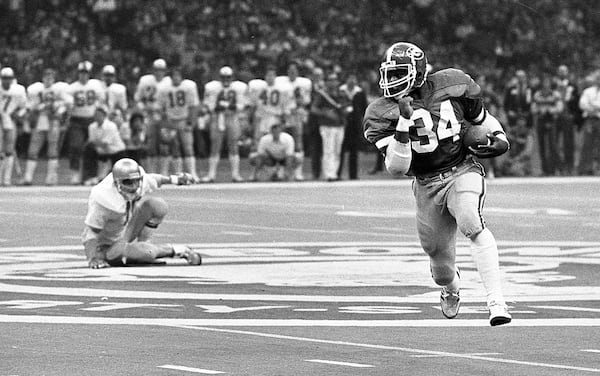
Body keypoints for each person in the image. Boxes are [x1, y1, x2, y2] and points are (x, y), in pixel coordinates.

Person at [363, 42, 512, 326]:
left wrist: (499, 136)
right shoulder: (381, 111)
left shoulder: (452, 83)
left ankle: (496, 301)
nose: (391, 81)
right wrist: (405, 122)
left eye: (398, 73)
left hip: (461, 169)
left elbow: (481, 118)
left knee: (471, 221)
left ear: (417, 73)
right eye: (389, 74)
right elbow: (397, 167)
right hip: (426, 183)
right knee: (440, 264)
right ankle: (451, 288)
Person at [83, 158, 202, 269]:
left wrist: (174, 179)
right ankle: (178, 250)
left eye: (136, 181)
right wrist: (93, 258)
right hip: (107, 247)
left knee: (158, 206)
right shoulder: (104, 199)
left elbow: (152, 179)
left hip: (125, 232)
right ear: (116, 183)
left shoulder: (140, 181)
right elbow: (91, 233)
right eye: (128, 182)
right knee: (146, 253)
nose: (134, 186)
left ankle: (143, 243)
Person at [22, 68, 71, 185]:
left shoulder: (59, 89)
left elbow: (68, 103)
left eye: (51, 76)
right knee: (33, 149)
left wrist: (59, 109)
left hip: (53, 121)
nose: (48, 79)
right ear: (43, 77)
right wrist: (37, 109)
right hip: (40, 120)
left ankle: (51, 179)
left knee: (53, 149)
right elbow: (30, 107)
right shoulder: (36, 89)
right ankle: (28, 178)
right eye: (46, 76)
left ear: (54, 79)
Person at [202, 66, 248, 182]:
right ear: (220, 78)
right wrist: (220, 106)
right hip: (217, 118)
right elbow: (209, 106)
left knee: (233, 145)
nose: (226, 80)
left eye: (228, 77)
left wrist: (227, 106)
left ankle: (235, 174)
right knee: (215, 146)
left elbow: (241, 105)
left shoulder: (238, 88)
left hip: (232, 117)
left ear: (232, 77)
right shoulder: (213, 87)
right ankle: (211, 175)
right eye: (223, 77)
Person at [156, 67, 200, 178]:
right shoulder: (164, 88)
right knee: (169, 148)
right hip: (170, 121)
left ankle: (192, 173)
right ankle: (172, 173)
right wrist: (164, 121)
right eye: (174, 75)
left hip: (183, 120)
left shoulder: (189, 87)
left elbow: (193, 106)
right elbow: (160, 107)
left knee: (188, 147)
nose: (176, 78)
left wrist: (191, 123)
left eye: (178, 75)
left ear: (182, 77)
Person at [67, 61, 106, 184]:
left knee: (93, 148)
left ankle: (91, 175)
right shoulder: (72, 87)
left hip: (91, 120)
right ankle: (75, 174)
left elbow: (102, 102)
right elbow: (68, 105)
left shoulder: (96, 85)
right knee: (75, 146)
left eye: (85, 73)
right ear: (78, 73)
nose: (83, 75)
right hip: (77, 120)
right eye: (81, 73)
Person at [276, 62, 313, 181]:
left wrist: (298, 102)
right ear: (287, 71)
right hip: (284, 116)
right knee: (282, 143)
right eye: (290, 70)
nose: (292, 72)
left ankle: (298, 172)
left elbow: (306, 102)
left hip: (296, 116)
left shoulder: (303, 84)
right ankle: (281, 171)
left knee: (298, 144)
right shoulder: (281, 83)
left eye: (294, 70)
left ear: (297, 71)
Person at [134, 58, 172, 173]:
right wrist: (144, 109)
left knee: (164, 144)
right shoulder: (145, 80)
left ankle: (164, 172)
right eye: (156, 70)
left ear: (165, 71)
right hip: (148, 116)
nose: (159, 72)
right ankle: (150, 172)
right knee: (149, 145)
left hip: (163, 116)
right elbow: (137, 99)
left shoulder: (169, 82)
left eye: (161, 70)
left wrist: (167, 112)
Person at [311, 72, 345, 181]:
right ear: (326, 82)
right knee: (328, 150)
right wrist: (325, 113)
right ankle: (329, 174)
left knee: (337, 150)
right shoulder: (322, 94)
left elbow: (346, 106)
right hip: (327, 125)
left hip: (339, 125)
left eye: (335, 80)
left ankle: (334, 173)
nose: (333, 82)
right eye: (330, 80)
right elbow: (314, 109)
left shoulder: (341, 94)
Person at [82, 106, 127, 185]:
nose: (97, 117)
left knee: (118, 172)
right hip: (101, 150)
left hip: (116, 151)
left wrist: (97, 143)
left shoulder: (111, 126)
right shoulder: (91, 127)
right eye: (96, 115)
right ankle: (91, 176)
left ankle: (120, 178)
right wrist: (97, 144)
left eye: (99, 115)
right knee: (88, 149)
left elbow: (105, 143)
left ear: (104, 116)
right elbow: (92, 142)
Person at [0, 67, 28, 186]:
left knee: (9, 151)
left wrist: (18, 115)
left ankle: (6, 179)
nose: (6, 81)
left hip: (10, 121)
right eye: (4, 78)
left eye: (9, 78)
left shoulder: (19, 90)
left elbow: (24, 107)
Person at [337, 73, 368, 180]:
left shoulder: (359, 92)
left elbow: (364, 108)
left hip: (355, 125)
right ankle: (336, 173)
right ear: (346, 79)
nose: (352, 80)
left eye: (354, 78)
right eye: (350, 78)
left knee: (354, 150)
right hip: (342, 122)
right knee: (339, 149)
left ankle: (353, 175)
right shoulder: (341, 91)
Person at [531, 76, 563, 176]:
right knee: (542, 146)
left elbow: (559, 107)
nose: (546, 85)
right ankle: (544, 170)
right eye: (544, 83)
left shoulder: (555, 94)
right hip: (541, 120)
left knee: (553, 145)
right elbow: (533, 108)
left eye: (547, 83)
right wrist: (540, 111)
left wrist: (550, 111)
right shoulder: (537, 94)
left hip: (551, 120)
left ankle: (554, 168)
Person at [578, 71, 600, 175]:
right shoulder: (588, 91)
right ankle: (585, 169)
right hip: (590, 120)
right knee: (587, 144)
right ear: (596, 80)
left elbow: (594, 105)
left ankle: (598, 168)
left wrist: (593, 105)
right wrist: (594, 108)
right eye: (598, 78)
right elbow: (582, 104)